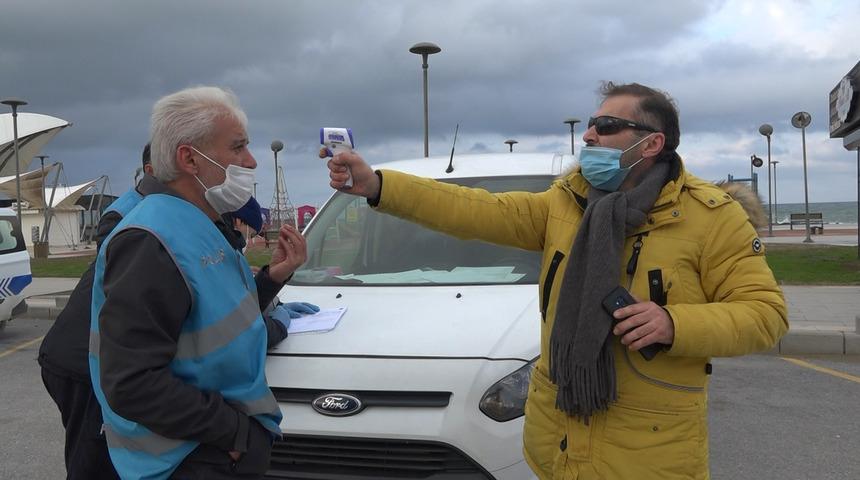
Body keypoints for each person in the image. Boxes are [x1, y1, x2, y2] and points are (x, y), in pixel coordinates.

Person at [324, 82, 788, 479]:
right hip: (558, 439)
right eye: (591, 123)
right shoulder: (566, 203)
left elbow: (765, 314)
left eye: (606, 127)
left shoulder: (711, 217)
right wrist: (380, 186)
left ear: (650, 144)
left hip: (651, 450)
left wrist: (673, 323)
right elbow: (474, 210)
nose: (589, 134)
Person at [90, 86, 306, 480]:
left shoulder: (199, 220)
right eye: (238, 148)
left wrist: (273, 276)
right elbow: (131, 383)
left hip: (213, 446)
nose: (251, 160)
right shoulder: (149, 239)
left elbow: (223, 312)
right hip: (188, 457)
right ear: (190, 159)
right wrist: (236, 434)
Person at [38, 144, 154, 480]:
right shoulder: (124, 217)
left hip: (96, 358)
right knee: (94, 463)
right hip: (82, 364)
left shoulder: (157, 210)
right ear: (151, 169)